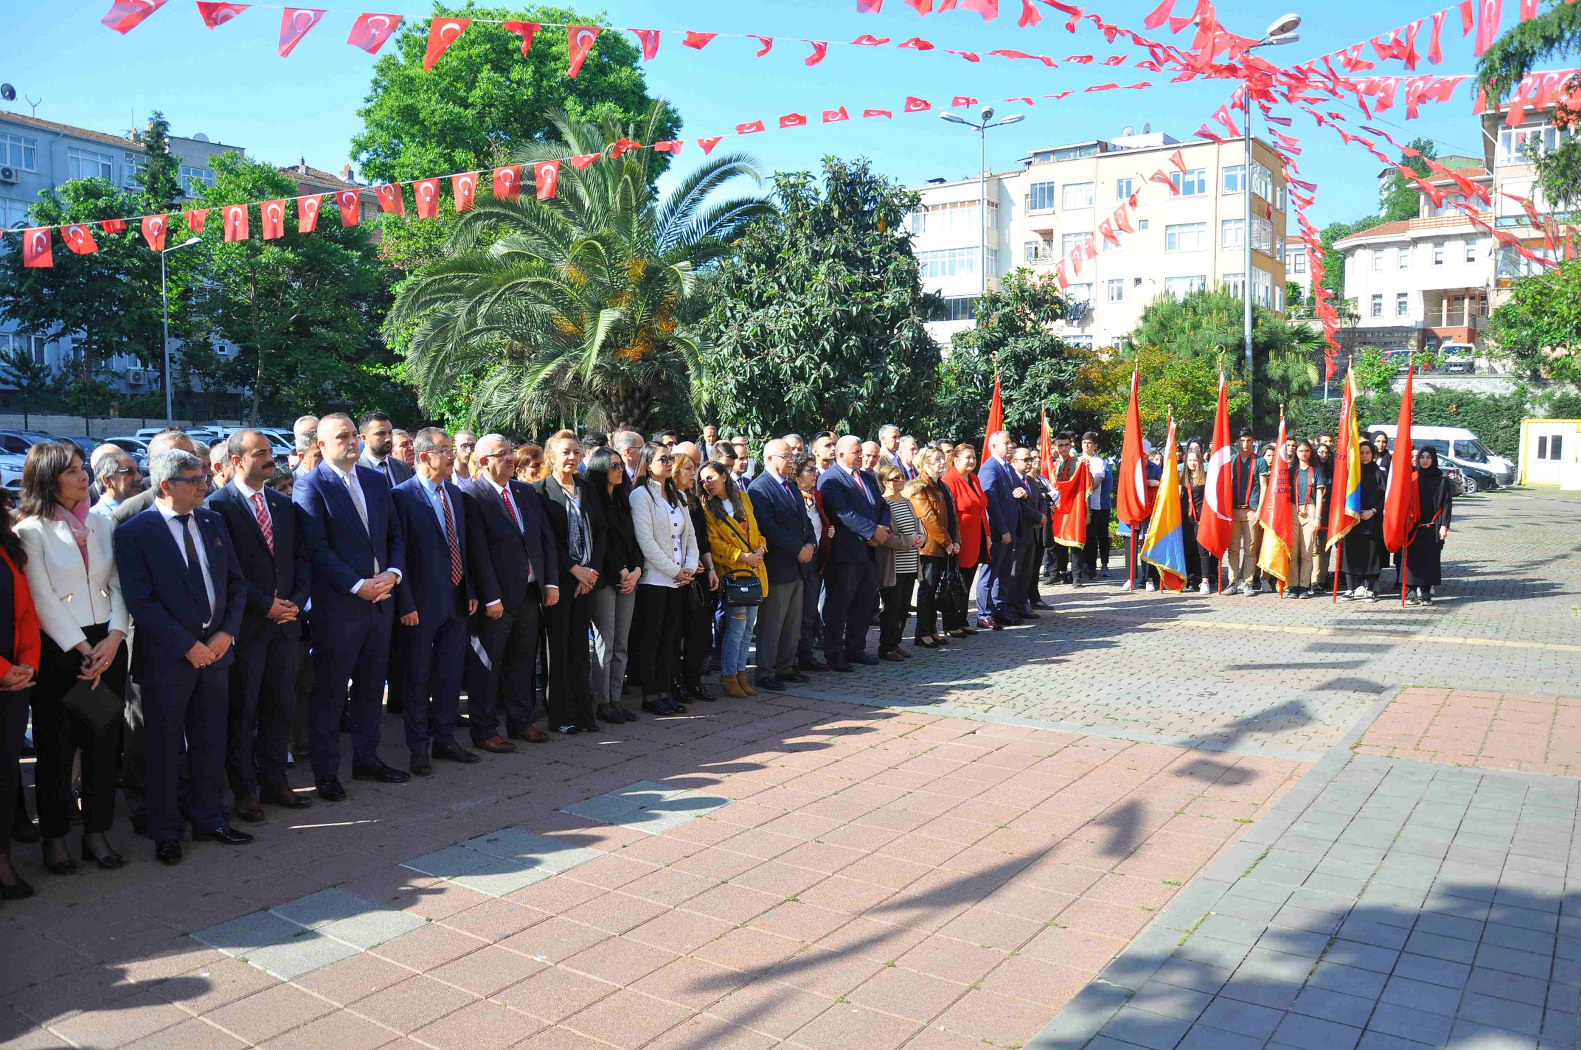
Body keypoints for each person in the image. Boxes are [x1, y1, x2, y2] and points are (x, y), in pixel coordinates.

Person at [114, 448, 250, 866]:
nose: (206, 485)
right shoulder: (134, 532)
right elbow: (143, 601)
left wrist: (227, 632)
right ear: (168, 484)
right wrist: (187, 646)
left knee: (211, 740)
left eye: (205, 477)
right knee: (165, 748)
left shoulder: (212, 520)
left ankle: (210, 819)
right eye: (196, 479)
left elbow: (236, 584)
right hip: (169, 661)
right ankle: (166, 831)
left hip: (217, 654)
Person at [16, 442, 129, 874]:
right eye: (72, 471)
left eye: (83, 469)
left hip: (108, 642)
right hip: (62, 650)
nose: (83, 477)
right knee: (56, 748)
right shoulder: (32, 530)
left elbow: (119, 583)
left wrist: (115, 637)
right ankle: (55, 838)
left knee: (103, 745)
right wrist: (83, 649)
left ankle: (96, 833)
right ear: (48, 478)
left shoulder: (101, 522)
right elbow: (41, 598)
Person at [293, 412, 409, 802]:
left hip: (381, 602)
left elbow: (394, 534)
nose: (350, 442)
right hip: (339, 608)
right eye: (340, 437)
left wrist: (392, 574)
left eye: (352, 435)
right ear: (321, 445)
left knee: (371, 687)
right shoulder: (311, 486)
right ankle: (326, 773)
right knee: (330, 694)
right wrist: (358, 585)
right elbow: (317, 549)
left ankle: (367, 759)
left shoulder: (376, 481)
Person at [205, 430, 312, 822]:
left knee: (279, 705)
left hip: (286, 624)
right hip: (247, 627)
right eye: (260, 453)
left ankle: (274, 781)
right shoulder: (218, 506)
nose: (270, 458)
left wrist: (294, 603)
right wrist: (264, 605)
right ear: (236, 460)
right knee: (243, 710)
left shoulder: (283, 505)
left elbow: (301, 559)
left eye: (270, 451)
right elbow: (227, 573)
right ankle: (245, 790)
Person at [390, 428, 487, 775]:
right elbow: (397, 555)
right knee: (417, 678)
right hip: (419, 604)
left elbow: (463, 548)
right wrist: (405, 604)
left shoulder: (456, 496)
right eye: (445, 450)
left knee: (449, 674)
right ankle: (419, 748)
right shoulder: (401, 497)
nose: (453, 456)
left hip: (457, 600)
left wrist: (471, 590)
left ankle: (446, 739)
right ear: (425, 456)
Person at [464, 434, 559, 744]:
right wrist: (491, 597)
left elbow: (544, 539)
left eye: (510, 452)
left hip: (529, 595)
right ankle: (485, 729)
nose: (510, 457)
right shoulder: (472, 496)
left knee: (522, 661)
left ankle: (521, 721)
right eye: (501, 453)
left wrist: (550, 582)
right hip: (497, 599)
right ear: (483, 462)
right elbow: (477, 554)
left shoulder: (524, 492)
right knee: (489, 666)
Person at [533, 431, 605, 733]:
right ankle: (560, 716)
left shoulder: (587, 488)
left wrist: (590, 574)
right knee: (558, 650)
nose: (572, 457)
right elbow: (545, 541)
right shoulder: (540, 492)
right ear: (551, 456)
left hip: (586, 581)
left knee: (580, 650)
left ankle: (585, 714)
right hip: (559, 582)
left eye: (576, 452)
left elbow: (600, 533)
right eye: (565, 452)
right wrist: (574, 570)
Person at [630, 444, 699, 715]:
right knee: (652, 639)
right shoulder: (640, 495)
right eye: (663, 459)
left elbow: (690, 537)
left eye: (670, 459)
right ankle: (650, 695)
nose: (669, 463)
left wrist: (689, 568)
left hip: (679, 578)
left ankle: (665, 691)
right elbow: (645, 541)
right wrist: (674, 570)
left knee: (671, 638)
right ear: (648, 464)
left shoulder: (678, 495)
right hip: (654, 579)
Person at [747, 440, 814, 692]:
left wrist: (810, 544)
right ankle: (766, 672)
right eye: (785, 456)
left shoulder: (791, 486)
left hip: (797, 566)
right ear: (769, 458)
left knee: (792, 623)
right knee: (772, 623)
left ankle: (786, 667)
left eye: (791, 456)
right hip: (777, 566)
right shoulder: (760, 488)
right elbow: (768, 527)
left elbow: (805, 521)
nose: (791, 460)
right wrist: (798, 549)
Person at [818, 436, 890, 669]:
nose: (862, 456)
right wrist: (871, 532)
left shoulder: (868, 477)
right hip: (845, 554)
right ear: (840, 455)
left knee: (864, 603)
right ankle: (834, 653)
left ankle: (855, 648)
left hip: (869, 553)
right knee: (839, 606)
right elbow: (843, 513)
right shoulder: (830, 479)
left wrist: (883, 527)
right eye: (857, 452)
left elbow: (883, 506)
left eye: (861, 451)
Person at [699, 463, 767, 697]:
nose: (706, 483)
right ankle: (729, 675)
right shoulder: (706, 507)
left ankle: (741, 675)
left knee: (749, 629)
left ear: (724, 476)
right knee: (736, 628)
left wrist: (760, 550)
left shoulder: (743, 498)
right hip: (733, 574)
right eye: (702, 480)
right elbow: (712, 542)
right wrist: (742, 556)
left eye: (710, 477)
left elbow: (757, 531)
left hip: (754, 571)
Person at [0, 500, 40, 902]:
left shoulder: (8, 545)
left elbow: (26, 612)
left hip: (14, 684)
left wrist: (26, 664)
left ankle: (3, 859)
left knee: (4, 770)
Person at [582, 447, 639, 725]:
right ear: (601, 468)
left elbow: (634, 538)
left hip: (630, 577)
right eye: (613, 466)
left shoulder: (624, 498)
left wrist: (637, 569)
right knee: (605, 640)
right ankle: (601, 700)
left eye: (620, 465)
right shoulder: (594, 500)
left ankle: (615, 699)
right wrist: (622, 569)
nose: (619, 470)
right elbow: (602, 543)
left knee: (621, 642)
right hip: (606, 578)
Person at [673, 451, 719, 701]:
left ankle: (694, 681)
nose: (695, 474)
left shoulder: (693, 501)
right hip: (676, 575)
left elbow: (702, 539)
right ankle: (675, 682)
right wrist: (689, 564)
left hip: (698, 574)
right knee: (675, 633)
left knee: (698, 631)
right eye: (689, 469)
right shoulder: (668, 499)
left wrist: (709, 568)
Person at [906, 448, 959, 649]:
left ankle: (933, 629)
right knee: (927, 590)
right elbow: (929, 519)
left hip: (946, 546)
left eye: (942, 459)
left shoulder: (942, 486)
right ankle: (922, 632)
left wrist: (956, 541)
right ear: (925, 463)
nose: (942, 462)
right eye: (936, 460)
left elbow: (953, 517)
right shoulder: (919, 487)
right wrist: (947, 543)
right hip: (930, 547)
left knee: (939, 589)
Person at [876, 464, 922, 661]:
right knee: (892, 608)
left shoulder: (906, 502)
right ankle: (886, 646)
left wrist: (922, 537)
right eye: (896, 477)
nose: (901, 480)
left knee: (903, 607)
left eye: (902, 476)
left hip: (911, 562)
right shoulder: (884, 504)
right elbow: (885, 536)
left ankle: (896, 643)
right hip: (893, 565)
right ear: (885, 482)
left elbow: (917, 524)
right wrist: (908, 541)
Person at [976, 432, 1022, 628]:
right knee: (990, 573)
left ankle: (998, 609)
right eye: (1006, 443)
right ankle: (984, 614)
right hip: (997, 532)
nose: (1010, 445)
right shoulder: (989, 468)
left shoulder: (1007, 467)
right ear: (993, 447)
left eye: (1011, 441)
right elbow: (990, 503)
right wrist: (1002, 529)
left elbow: (1017, 490)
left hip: (1010, 529)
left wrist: (1024, 492)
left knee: (1003, 573)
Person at [792, 455, 832, 672]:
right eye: (809, 470)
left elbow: (821, 523)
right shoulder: (792, 496)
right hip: (796, 561)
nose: (815, 473)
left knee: (809, 611)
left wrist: (828, 531)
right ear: (797, 476)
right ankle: (792, 657)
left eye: (815, 469)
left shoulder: (817, 496)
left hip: (815, 560)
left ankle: (806, 655)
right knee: (794, 613)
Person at [943, 443, 988, 636]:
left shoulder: (974, 478)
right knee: (955, 581)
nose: (971, 461)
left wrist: (988, 535)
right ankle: (951, 624)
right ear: (955, 459)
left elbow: (981, 508)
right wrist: (952, 540)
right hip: (960, 538)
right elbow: (948, 514)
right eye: (967, 457)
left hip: (976, 536)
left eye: (974, 458)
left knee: (967, 580)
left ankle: (962, 619)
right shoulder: (949, 479)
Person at [1405, 447, 1454, 606]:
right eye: (1422, 457)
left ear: (1434, 459)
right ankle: (1411, 591)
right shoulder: (1412, 479)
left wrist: (1444, 525)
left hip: (1434, 524)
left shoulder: (1442, 480)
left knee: (1430, 559)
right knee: (1412, 559)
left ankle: (1425, 592)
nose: (1424, 460)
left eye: (1428, 457)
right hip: (1413, 526)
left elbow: (1447, 504)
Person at [1340, 441, 1386, 601]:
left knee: (1371, 555)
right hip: (1352, 520)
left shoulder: (1378, 473)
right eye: (1362, 452)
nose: (1365, 455)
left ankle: (1370, 588)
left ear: (1373, 454)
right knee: (1351, 553)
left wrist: (1373, 511)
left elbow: (1384, 496)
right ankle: (1351, 588)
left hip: (1371, 519)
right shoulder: (1351, 472)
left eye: (1368, 452)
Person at [1226, 428, 1266, 595]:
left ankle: (1248, 581)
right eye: (1242, 441)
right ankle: (1232, 581)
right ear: (1237, 442)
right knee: (1233, 548)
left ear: (1253, 441)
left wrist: (1259, 511)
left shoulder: (1260, 461)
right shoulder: (1232, 461)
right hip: (1234, 510)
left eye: (1248, 440)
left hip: (1251, 510)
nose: (1245, 444)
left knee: (1250, 548)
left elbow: (1264, 486)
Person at [1009, 446, 1047, 618]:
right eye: (1026, 460)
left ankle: (1022, 605)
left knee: (1027, 572)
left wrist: (1043, 515)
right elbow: (1019, 505)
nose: (1030, 463)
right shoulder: (1011, 480)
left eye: (1030, 459)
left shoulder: (1031, 481)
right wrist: (1038, 517)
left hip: (1032, 533)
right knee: (1015, 573)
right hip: (1018, 533)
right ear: (1013, 461)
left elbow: (1041, 500)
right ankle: (1011, 607)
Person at [1290, 440, 1327, 599]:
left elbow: (1319, 496)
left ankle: (1304, 585)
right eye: (1300, 451)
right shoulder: (1292, 470)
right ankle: (1292, 585)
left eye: (1306, 451)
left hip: (1310, 510)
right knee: (1293, 551)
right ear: (1296, 453)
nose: (1303, 454)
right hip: (1293, 510)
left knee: (1307, 551)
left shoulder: (1316, 471)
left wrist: (1318, 517)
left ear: (1310, 452)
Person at [1181, 444, 1216, 593]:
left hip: (1200, 518)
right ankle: (1190, 577)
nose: (1192, 463)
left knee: (1202, 550)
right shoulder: (1182, 478)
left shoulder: (1205, 478)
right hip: (1186, 518)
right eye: (1189, 460)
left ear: (1200, 461)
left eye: (1195, 460)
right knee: (1188, 548)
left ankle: (1205, 580)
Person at [1049, 432, 1082, 586]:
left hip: (1074, 507)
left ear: (1071, 445)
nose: (1063, 448)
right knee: (1058, 542)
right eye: (1060, 445)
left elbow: (1083, 488)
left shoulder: (1078, 464)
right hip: (1057, 507)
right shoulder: (1052, 466)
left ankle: (1077, 576)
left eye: (1066, 445)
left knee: (1074, 542)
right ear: (1056, 447)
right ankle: (1061, 573)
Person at [1079, 433, 1111, 579]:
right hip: (1078, 505)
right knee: (1083, 537)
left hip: (1095, 505)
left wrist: (1085, 484)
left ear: (1095, 445)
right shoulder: (1076, 460)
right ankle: (1082, 566)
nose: (1086, 445)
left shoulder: (1099, 462)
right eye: (1084, 442)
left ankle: (1094, 566)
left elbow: (1096, 483)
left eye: (1090, 443)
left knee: (1096, 537)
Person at [359, 412, 413, 488]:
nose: (388, 438)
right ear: (364, 438)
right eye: (381, 433)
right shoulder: (355, 469)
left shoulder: (402, 467)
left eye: (390, 432)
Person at [92, 451, 143, 519]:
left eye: (138, 471)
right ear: (107, 480)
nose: (139, 478)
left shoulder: (146, 512)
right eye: (129, 472)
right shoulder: (93, 519)